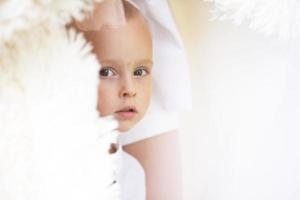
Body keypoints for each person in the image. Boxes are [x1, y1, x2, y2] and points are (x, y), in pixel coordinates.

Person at [75, 0, 191, 199]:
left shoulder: (134, 171)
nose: (129, 90)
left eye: (140, 71)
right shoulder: (57, 159)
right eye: (107, 72)